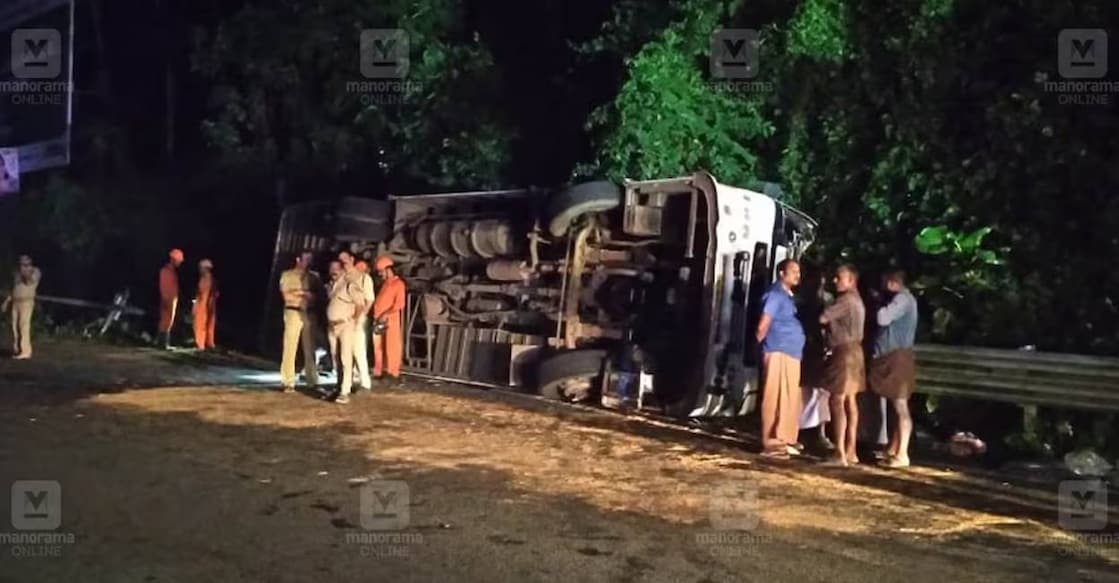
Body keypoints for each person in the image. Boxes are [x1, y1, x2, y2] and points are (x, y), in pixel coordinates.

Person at [869, 269, 919, 468]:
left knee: (900, 406)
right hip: (893, 357)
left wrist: (879, 304)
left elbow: (883, 319)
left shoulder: (903, 300)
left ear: (892, 283)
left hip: (897, 358)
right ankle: (894, 448)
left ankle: (902, 454)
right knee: (896, 406)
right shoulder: (904, 299)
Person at [756, 258, 805, 458]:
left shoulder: (787, 296)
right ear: (781, 273)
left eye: (798, 272)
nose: (797, 275)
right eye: (793, 271)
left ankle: (784, 437)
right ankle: (772, 441)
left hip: (790, 352)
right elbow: (763, 323)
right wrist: (761, 343)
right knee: (775, 396)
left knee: (789, 396)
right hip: (778, 350)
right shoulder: (775, 295)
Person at [818, 265, 867, 466]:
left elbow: (823, 317)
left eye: (839, 278)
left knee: (836, 400)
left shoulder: (845, 300)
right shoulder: (858, 301)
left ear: (851, 281)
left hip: (843, 352)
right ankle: (851, 449)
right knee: (850, 401)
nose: (835, 281)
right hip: (856, 351)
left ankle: (839, 452)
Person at [279, 251, 321, 392]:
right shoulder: (287, 275)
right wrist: (304, 294)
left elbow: (317, 297)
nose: (308, 262)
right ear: (298, 259)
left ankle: (312, 379)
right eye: (306, 259)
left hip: (309, 314)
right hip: (293, 312)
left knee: (310, 348)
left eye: (310, 259)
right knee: (290, 347)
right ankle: (287, 381)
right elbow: (287, 296)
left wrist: (297, 293)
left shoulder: (314, 277)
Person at [326, 258, 365, 403]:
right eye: (331, 268)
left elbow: (360, 304)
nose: (333, 271)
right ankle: (338, 386)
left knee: (345, 358)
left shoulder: (349, 285)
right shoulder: (332, 286)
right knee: (336, 358)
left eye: (336, 268)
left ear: (342, 270)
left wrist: (353, 320)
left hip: (345, 326)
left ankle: (345, 391)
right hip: (332, 326)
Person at [371, 255, 406, 384]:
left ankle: (392, 372)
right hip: (379, 320)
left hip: (391, 320)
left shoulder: (398, 284)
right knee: (378, 347)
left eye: (381, 272)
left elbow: (399, 304)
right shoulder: (386, 284)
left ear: (388, 269)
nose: (380, 275)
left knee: (392, 346)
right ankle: (379, 371)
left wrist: (386, 314)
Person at [2, 255, 41, 359]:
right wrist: (6, 301)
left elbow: (29, 281)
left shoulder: (35, 271)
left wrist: (25, 272)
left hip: (26, 302)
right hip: (15, 302)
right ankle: (17, 349)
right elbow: (14, 288)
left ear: (30, 263)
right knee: (14, 327)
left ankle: (26, 351)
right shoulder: (17, 273)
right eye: (20, 263)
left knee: (23, 326)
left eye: (25, 263)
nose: (22, 265)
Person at [348, 255, 376, 391]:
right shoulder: (348, 279)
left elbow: (370, 300)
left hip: (358, 319)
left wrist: (361, 316)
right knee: (348, 350)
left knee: (359, 350)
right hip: (347, 319)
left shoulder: (366, 279)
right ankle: (351, 378)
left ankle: (365, 381)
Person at [158, 249, 184, 349]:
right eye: (178, 261)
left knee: (169, 321)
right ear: (173, 259)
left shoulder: (171, 271)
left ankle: (164, 343)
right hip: (168, 299)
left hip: (172, 299)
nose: (179, 263)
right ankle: (163, 344)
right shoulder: (165, 271)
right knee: (165, 321)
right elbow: (163, 286)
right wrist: (165, 299)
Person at [192, 259, 219, 350]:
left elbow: (200, 294)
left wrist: (195, 305)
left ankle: (200, 344)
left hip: (202, 305)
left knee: (200, 324)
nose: (200, 270)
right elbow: (216, 294)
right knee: (209, 324)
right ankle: (209, 343)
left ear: (205, 268)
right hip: (210, 306)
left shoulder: (205, 279)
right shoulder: (213, 280)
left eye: (201, 268)